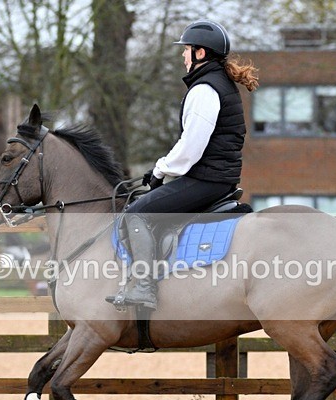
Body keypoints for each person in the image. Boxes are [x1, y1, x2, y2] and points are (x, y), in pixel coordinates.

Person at [110, 19, 259, 310]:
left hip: (207, 179)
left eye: (187, 49)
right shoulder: (218, 84)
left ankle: (144, 287)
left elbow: (191, 148)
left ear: (200, 54)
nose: (183, 55)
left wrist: (160, 170)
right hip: (215, 176)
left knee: (136, 213)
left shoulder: (205, 89)